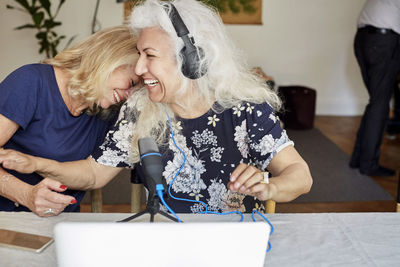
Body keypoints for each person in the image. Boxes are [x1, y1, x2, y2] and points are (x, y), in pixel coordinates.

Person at [0, 0, 312, 213]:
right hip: (165, 239)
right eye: (138, 56)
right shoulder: (139, 108)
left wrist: (271, 187)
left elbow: (300, 175)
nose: (138, 69)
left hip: (234, 238)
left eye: (149, 55)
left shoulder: (247, 109)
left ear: (192, 58)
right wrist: (37, 164)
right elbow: (95, 174)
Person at [0, 25, 141, 216]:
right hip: (7, 218)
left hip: (60, 222)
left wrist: (36, 164)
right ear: (108, 59)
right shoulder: (31, 82)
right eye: (131, 83)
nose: (129, 96)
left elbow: (93, 176)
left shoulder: (111, 113)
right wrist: (26, 194)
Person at [349, 0, 400, 176]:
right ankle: (368, 164)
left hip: (363, 38)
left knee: (376, 102)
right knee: (379, 104)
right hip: (383, 40)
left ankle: (358, 159)